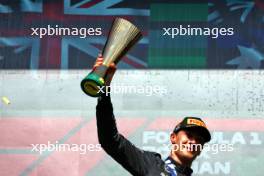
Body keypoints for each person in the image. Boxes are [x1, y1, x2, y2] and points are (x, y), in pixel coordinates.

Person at [95, 55, 211, 176]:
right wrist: (104, 89)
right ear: (173, 138)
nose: (193, 142)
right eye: (189, 135)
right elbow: (110, 140)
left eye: (199, 140)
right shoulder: (150, 164)